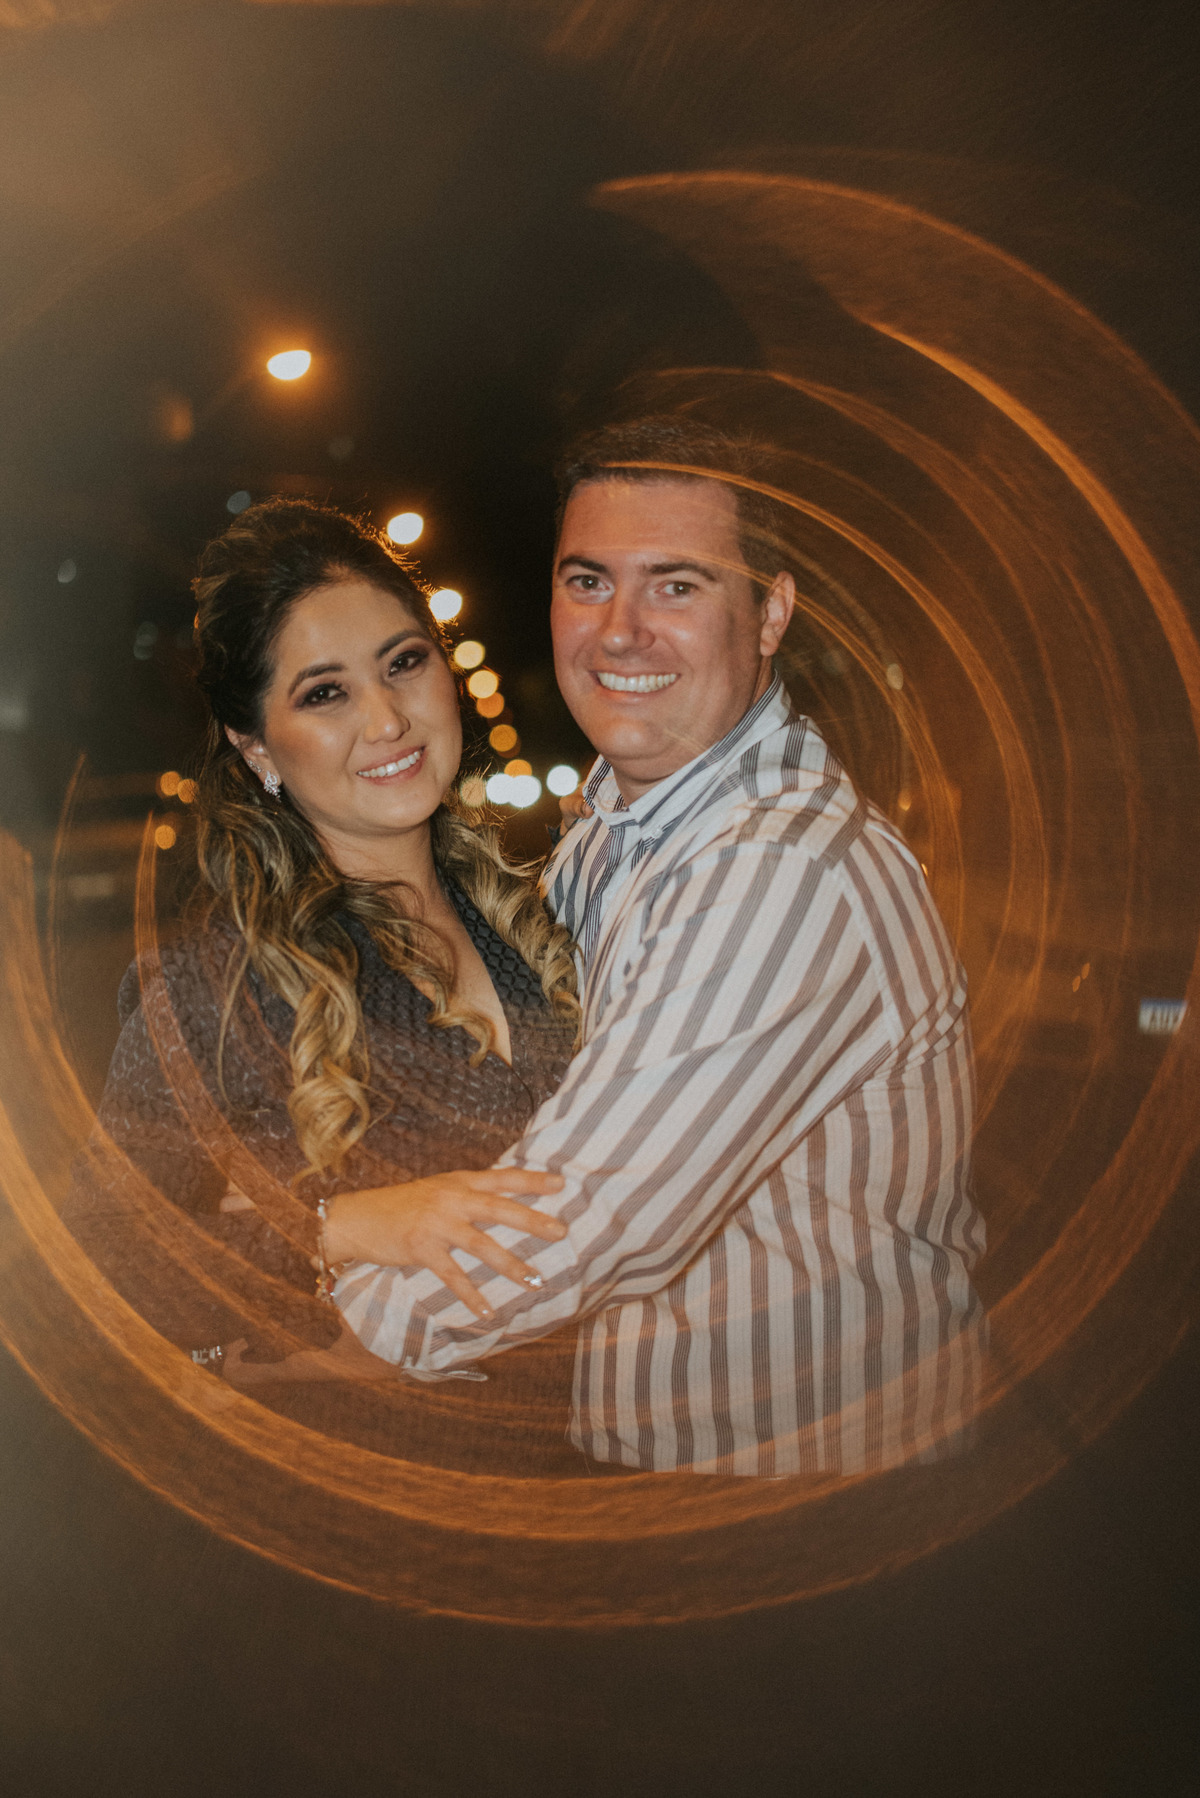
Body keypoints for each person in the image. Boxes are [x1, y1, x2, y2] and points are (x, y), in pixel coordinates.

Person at [331, 417, 987, 1477]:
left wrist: (311, 1315)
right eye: (588, 583)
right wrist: (346, 1217)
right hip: (695, 1484)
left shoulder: (781, 870)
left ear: (771, 613)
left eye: (676, 586)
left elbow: (583, 1221)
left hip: (811, 1499)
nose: (620, 632)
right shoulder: (612, 838)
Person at [63, 498, 583, 1476]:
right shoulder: (219, 987)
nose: (387, 719)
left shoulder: (549, 923)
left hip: (601, 1479)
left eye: (404, 662)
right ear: (257, 748)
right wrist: (340, 1227)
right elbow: (96, 1265)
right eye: (325, 693)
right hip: (377, 1511)